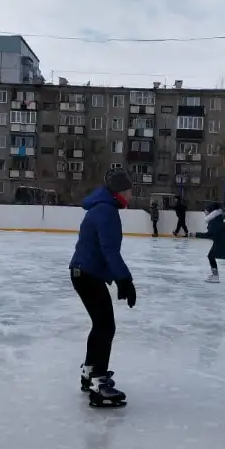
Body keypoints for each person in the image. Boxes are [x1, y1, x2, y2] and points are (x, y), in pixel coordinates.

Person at [69, 168, 136, 408]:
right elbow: (110, 250)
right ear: (120, 191)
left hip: (84, 273)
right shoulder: (106, 211)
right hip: (87, 274)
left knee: (101, 325)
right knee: (106, 326)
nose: (131, 194)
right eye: (129, 189)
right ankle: (98, 382)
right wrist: (124, 280)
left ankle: (90, 372)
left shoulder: (102, 207)